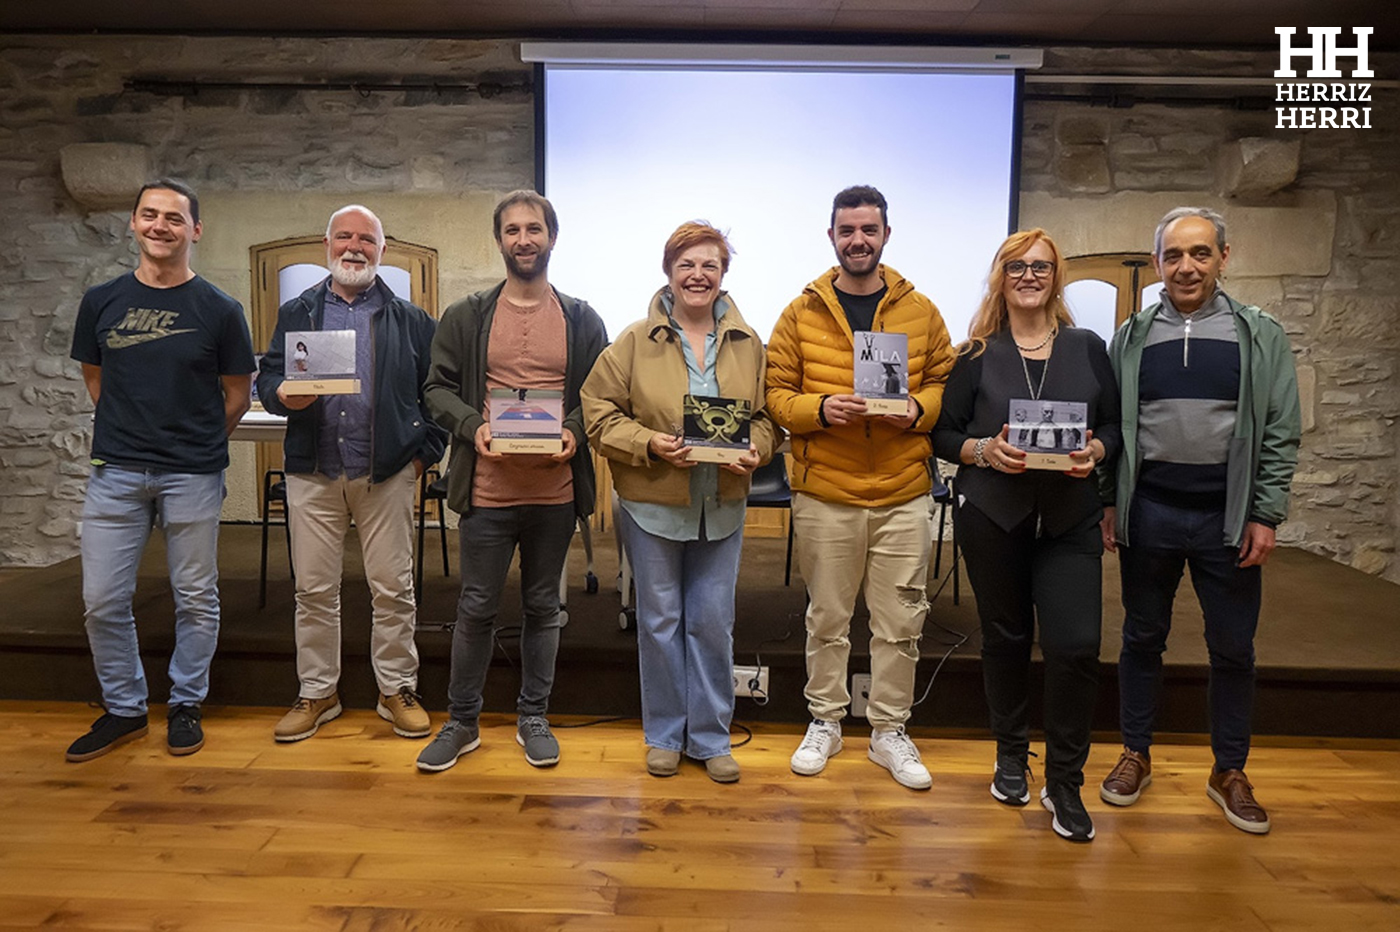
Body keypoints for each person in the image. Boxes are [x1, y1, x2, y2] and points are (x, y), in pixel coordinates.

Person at [1099, 207, 1301, 835]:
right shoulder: (1130, 336)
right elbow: (1113, 428)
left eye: (1200, 253)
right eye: (1173, 255)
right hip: (1150, 511)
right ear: (1157, 262)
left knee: (1233, 649)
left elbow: (1280, 430)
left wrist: (1265, 513)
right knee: (1141, 638)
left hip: (1227, 519)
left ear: (1223, 257)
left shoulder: (1259, 334)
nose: (1186, 266)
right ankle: (1136, 753)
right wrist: (1109, 500)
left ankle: (1229, 771)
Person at [932, 229, 1119, 842]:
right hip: (994, 517)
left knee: (1075, 647)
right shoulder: (974, 355)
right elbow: (942, 435)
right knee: (1006, 640)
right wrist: (984, 450)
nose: (1030, 275)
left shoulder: (1090, 348)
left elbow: (1114, 428)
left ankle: (1065, 781)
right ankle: (1011, 756)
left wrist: (1095, 447)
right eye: (1017, 266)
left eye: (1042, 266)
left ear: (1056, 277)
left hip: (1069, 522)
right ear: (1001, 277)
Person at [766, 185, 955, 790]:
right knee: (827, 617)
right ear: (831, 237)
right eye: (847, 231)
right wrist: (821, 409)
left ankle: (888, 731)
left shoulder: (920, 311)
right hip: (827, 492)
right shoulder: (800, 313)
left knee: (901, 621)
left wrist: (917, 410)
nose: (858, 241)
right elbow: (774, 396)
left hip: (903, 491)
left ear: (886, 236)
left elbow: (948, 385)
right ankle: (823, 720)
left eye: (869, 230)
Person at [416, 190, 607, 773]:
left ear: (552, 237)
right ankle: (462, 721)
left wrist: (574, 429)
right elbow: (435, 389)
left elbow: (600, 395)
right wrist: (473, 428)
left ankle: (533, 715)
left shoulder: (581, 317)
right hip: (487, 492)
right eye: (513, 230)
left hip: (554, 494)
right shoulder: (468, 315)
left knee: (544, 607)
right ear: (499, 240)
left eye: (534, 229)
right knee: (475, 608)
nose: (524, 239)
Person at [65, 179, 256, 761]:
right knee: (101, 599)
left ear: (195, 230)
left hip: (192, 474)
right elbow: (96, 378)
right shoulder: (101, 300)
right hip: (115, 472)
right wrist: (134, 429)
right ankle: (123, 709)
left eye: (174, 218)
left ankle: (185, 702)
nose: (160, 226)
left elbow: (237, 395)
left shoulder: (220, 310)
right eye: (150, 215)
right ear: (133, 223)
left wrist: (193, 443)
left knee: (195, 595)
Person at [582, 222, 778, 783]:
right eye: (686, 265)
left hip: (722, 504)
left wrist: (757, 451)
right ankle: (666, 734)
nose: (698, 275)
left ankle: (712, 737)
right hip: (652, 505)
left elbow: (766, 420)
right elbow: (597, 410)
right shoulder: (634, 341)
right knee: (660, 620)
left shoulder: (749, 344)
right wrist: (649, 444)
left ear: (723, 275)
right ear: (669, 272)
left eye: (710, 265)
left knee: (713, 623)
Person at [256, 205, 447, 743]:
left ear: (382, 251)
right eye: (345, 237)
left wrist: (421, 456)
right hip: (313, 471)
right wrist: (278, 394)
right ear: (327, 244)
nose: (354, 247)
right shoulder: (298, 310)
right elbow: (270, 376)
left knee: (393, 588)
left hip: (385, 472)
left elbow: (436, 396)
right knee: (314, 590)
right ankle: (318, 692)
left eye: (366, 239)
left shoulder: (412, 320)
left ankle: (396, 688)